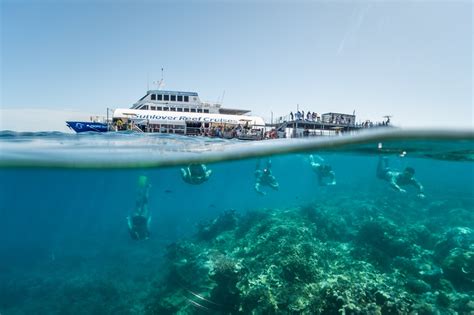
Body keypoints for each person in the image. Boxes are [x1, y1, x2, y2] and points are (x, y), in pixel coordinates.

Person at [128, 175, 152, 240]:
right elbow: (129, 226)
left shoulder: (145, 235)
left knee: (145, 204)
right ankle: (141, 188)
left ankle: (147, 188)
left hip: (143, 219)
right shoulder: (133, 234)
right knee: (138, 204)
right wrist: (128, 219)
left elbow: (147, 226)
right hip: (136, 219)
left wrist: (149, 218)